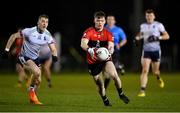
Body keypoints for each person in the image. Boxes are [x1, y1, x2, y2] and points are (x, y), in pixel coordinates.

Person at [1, 14, 58, 104]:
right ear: (38, 22)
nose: (44, 24)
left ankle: (32, 98)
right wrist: (6, 50)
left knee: (38, 81)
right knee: (37, 72)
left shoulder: (47, 34)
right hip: (24, 56)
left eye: (46, 22)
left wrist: (55, 56)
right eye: (42, 21)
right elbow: (13, 36)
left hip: (36, 58)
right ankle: (31, 90)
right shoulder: (29, 31)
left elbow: (53, 47)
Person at [80, 11, 129, 106]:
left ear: (104, 21)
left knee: (115, 75)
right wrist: (89, 50)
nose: (100, 22)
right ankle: (105, 99)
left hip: (105, 59)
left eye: (102, 21)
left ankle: (121, 94)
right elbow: (83, 43)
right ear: (94, 20)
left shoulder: (108, 33)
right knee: (101, 85)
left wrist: (111, 50)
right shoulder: (89, 31)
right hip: (93, 62)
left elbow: (111, 46)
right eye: (98, 20)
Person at [134, 9, 170, 97]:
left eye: (150, 16)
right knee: (145, 70)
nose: (149, 17)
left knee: (155, 71)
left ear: (154, 16)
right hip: (146, 51)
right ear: (145, 17)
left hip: (156, 51)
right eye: (147, 16)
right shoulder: (143, 25)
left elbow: (167, 36)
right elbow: (140, 35)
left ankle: (158, 77)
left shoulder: (158, 25)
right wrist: (137, 38)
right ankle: (142, 90)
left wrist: (158, 38)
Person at [104, 14, 127, 89]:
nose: (110, 21)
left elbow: (124, 39)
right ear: (106, 21)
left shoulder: (118, 29)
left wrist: (119, 45)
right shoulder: (104, 29)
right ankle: (120, 66)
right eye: (108, 19)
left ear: (114, 21)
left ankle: (104, 89)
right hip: (105, 50)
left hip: (115, 49)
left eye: (111, 19)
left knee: (109, 70)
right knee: (106, 69)